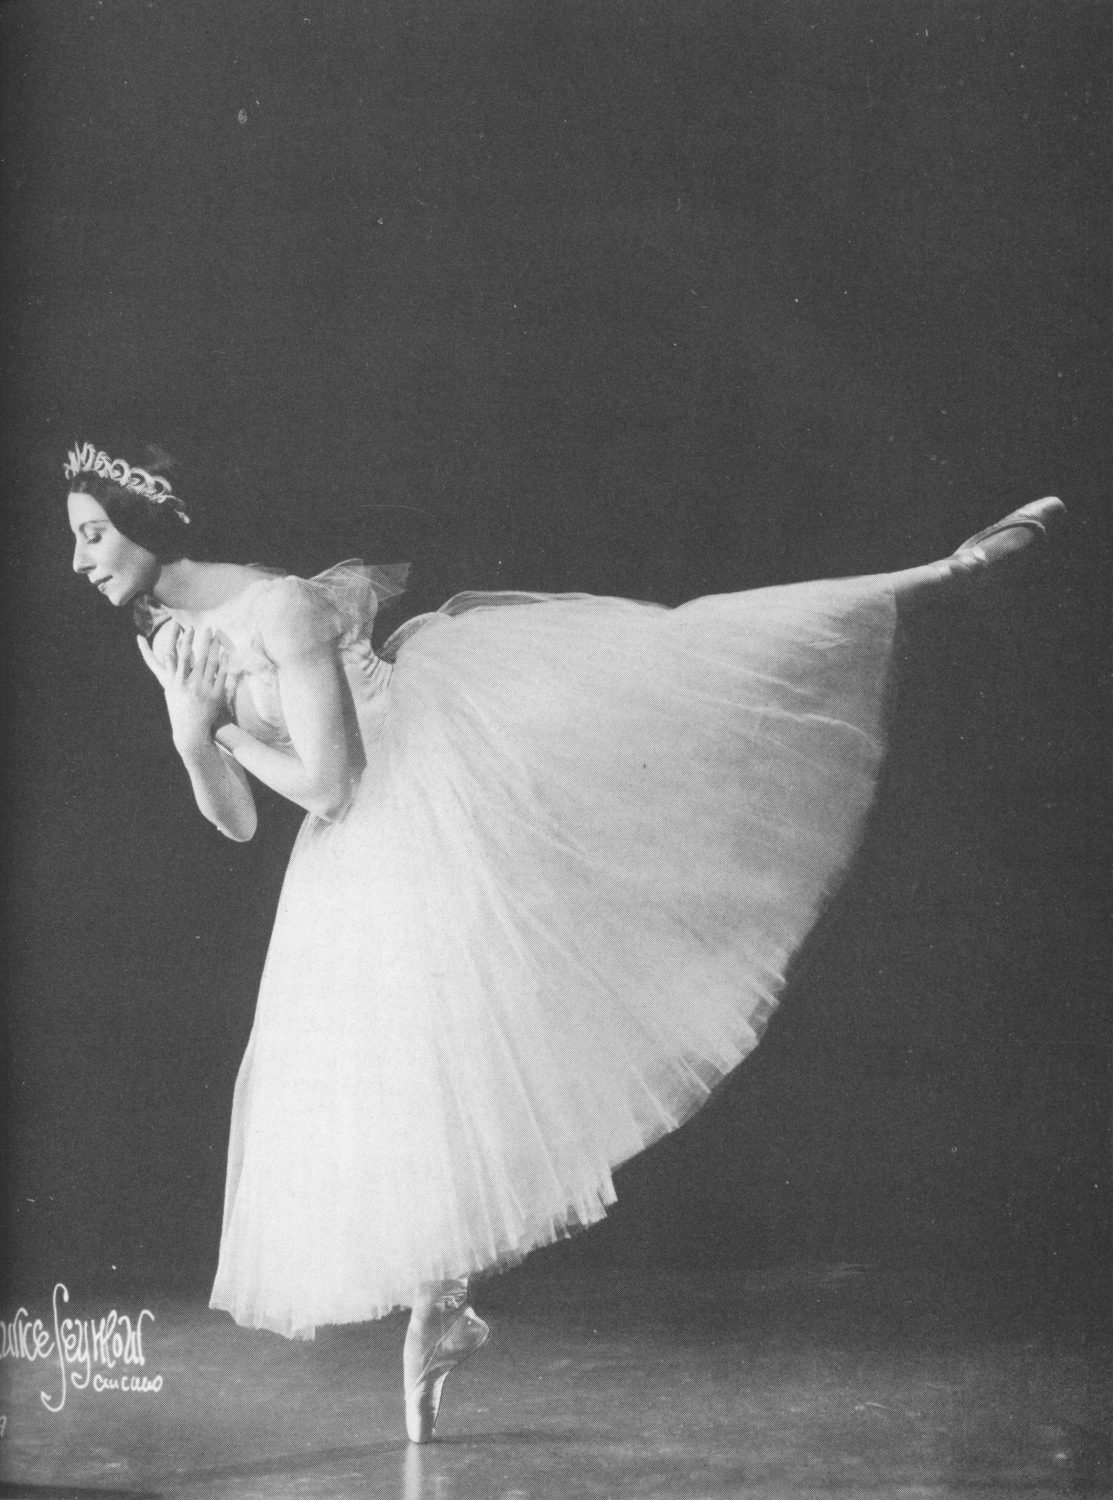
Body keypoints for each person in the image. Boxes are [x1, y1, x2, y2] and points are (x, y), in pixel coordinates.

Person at [65, 440, 1062, 1442]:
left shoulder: (279, 609)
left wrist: (223, 730)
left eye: (95, 535)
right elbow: (238, 823)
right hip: (358, 858)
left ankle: (935, 575)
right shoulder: (170, 635)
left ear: (151, 524)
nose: (81, 560)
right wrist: (191, 731)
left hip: (433, 792)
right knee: (413, 1088)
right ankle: (443, 1314)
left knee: (685, 665)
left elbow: (330, 786)